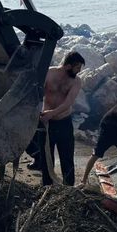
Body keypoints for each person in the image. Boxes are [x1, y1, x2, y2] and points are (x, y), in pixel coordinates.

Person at [34, 51, 85, 186]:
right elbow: (37, 93)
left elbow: (68, 103)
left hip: (64, 122)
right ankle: (47, 185)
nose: (79, 71)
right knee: (46, 157)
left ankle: (68, 187)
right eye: (77, 67)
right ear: (68, 66)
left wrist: (52, 113)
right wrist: (40, 113)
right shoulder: (49, 73)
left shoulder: (76, 81)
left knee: (67, 157)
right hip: (46, 123)